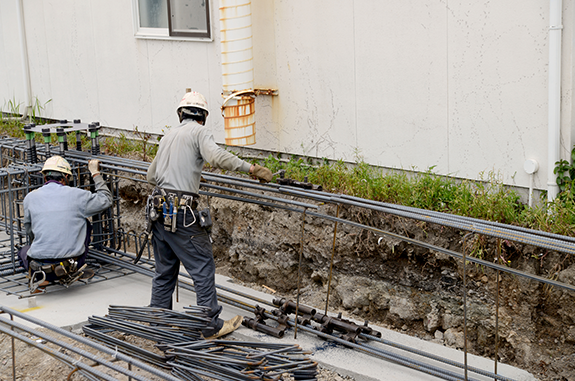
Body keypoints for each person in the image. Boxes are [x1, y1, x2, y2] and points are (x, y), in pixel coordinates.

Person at [146, 90, 272, 339]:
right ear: (202, 117)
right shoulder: (199, 132)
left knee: (164, 270)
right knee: (202, 267)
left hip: (158, 211)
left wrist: (188, 172)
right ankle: (209, 325)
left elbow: (151, 176)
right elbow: (215, 157)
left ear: (181, 114)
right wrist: (251, 168)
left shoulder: (168, 136)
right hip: (181, 214)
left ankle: (157, 323)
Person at [19, 155, 113, 292]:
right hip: (72, 262)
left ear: (45, 178)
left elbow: (29, 230)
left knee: (23, 252)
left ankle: (42, 278)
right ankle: (68, 271)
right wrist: (95, 173)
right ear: (64, 178)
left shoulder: (30, 198)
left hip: (38, 264)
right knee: (84, 224)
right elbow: (106, 199)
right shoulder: (77, 195)